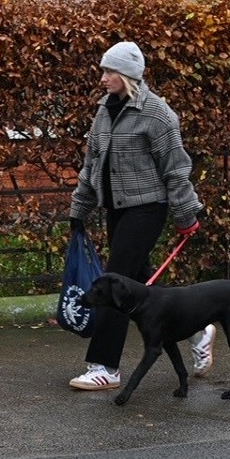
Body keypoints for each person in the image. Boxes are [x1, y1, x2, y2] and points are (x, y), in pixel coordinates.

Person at [66, 41, 217, 390]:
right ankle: (196, 330)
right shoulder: (104, 111)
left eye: (109, 72)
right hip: (116, 208)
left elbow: (176, 169)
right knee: (139, 282)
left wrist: (186, 214)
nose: (102, 78)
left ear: (127, 75)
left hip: (147, 208)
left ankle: (105, 366)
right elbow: (92, 165)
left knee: (115, 282)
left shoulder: (157, 114)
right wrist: (79, 210)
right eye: (103, 71)